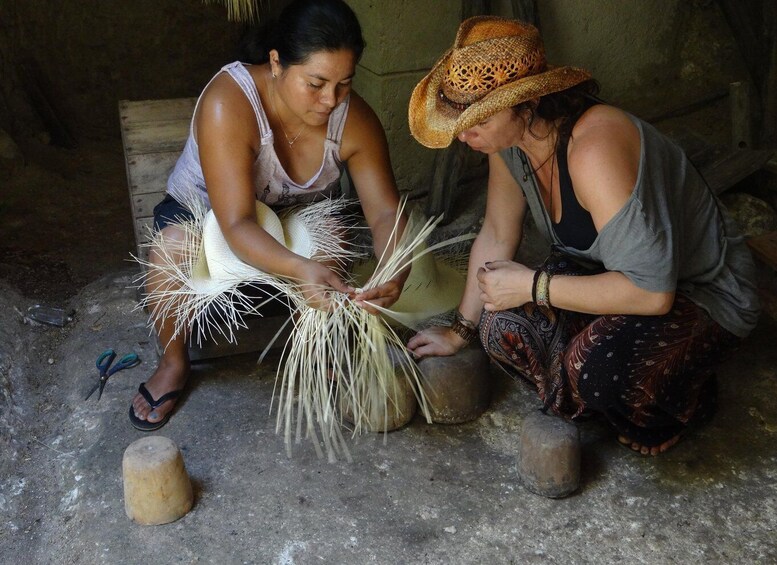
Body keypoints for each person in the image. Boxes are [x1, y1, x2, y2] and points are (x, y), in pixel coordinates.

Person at [406, 16, 760, 455]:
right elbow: (497, 233)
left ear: (527, 102)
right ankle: (613, 395)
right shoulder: (508, 147)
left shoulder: (594, 150)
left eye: (478, 117)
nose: (464, 132)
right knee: (500, 326)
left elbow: (652, 294)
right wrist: (461, 330)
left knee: (593, 369)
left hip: (699, 292)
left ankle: (685, 399)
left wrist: (534, 286)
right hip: (605, 278)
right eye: (460, 118)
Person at [130, 0, 407, 431]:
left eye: (344, 83)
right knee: (170, 251)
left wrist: (394, 267)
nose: (330, 100)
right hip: (211, 216)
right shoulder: (230, 101)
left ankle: (317, 346)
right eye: (316, 83)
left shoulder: (354, 122)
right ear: (276, 63)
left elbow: (386, 212)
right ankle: (173, 361)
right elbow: (237, 222)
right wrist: (299, 268)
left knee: (332, 235)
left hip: (292, 217)